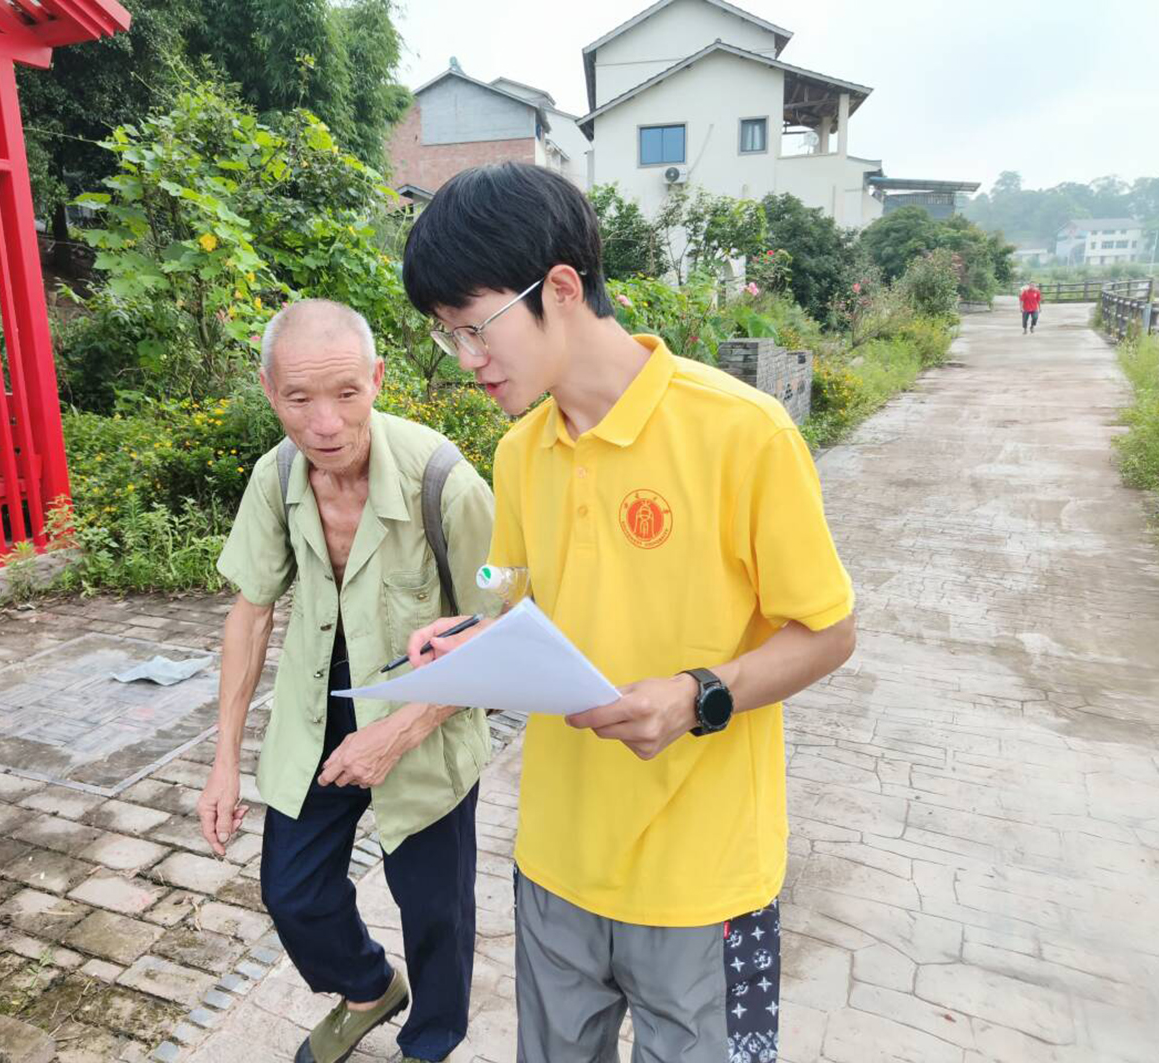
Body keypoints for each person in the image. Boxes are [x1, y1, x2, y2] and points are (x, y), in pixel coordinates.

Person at [400, 163, 858, 1063]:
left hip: (704, 880)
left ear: (560, 288)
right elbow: (522, 599)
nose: (465, 359)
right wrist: (472, 636)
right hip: (557, 862)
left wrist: (697, 695)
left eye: (475, 327)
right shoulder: (519, 452)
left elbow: (829, 632)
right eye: (446, 335)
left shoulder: (742, 432)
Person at [197, 299, 497, 1063]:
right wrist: (224, 761)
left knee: (434, 907)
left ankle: (429, 1042)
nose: (324, 423)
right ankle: (369, 986)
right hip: (319, 705)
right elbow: (250, 613)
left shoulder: (446, 484)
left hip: (425, 714)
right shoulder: (275, 475)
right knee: (292, 890)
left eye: (346, 393)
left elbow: (499, 634)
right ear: (269, 390)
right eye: (298, 398)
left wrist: (397, 731)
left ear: (378, 379)